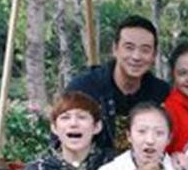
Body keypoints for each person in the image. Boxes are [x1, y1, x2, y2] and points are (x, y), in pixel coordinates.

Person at [67, 15, 170, 151]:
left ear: (154, 56)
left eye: (145, 50)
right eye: (129, 48)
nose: (136, 56)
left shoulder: (161, 94)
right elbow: (62, 141)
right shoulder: (84, 89)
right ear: (115, 49)